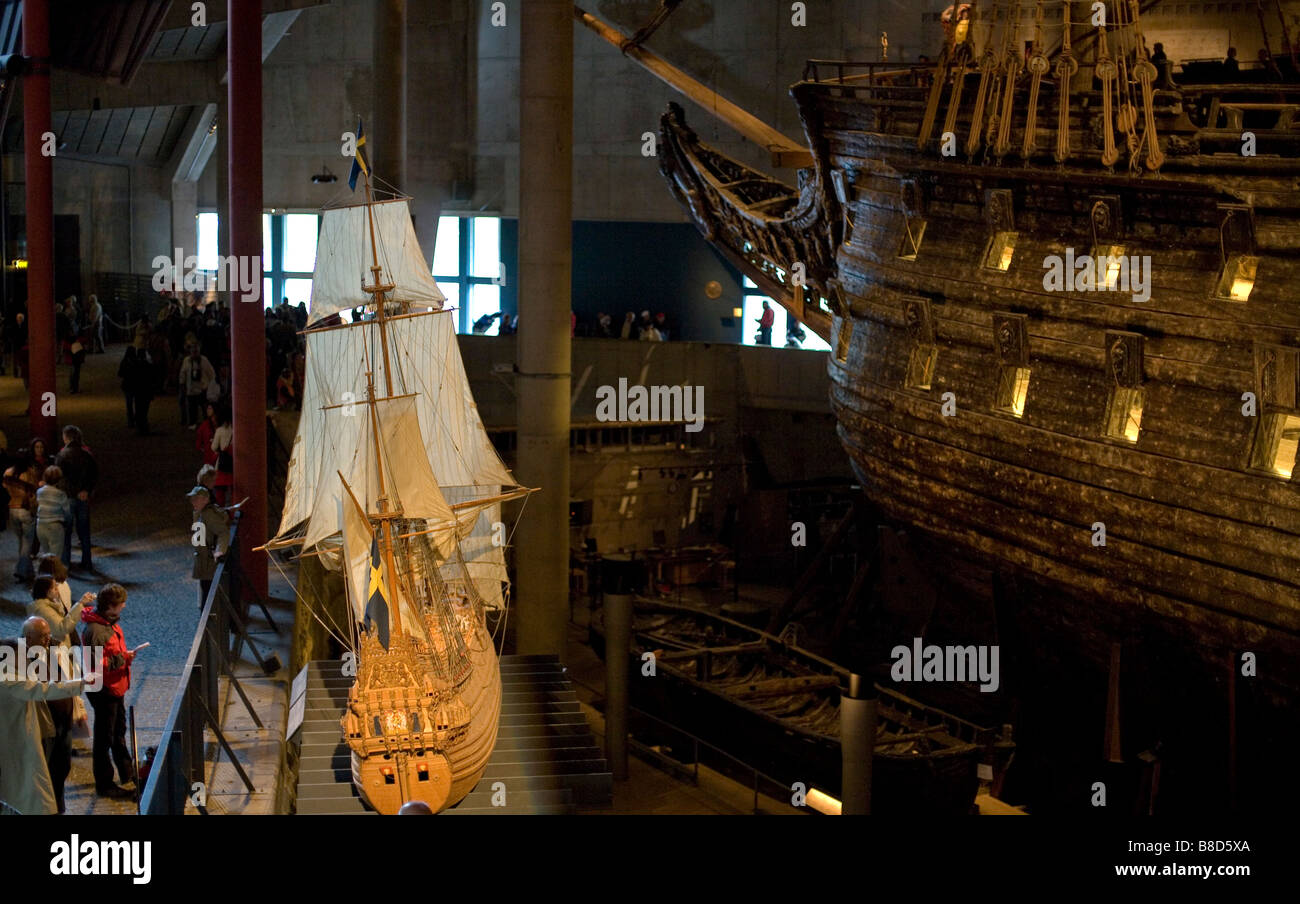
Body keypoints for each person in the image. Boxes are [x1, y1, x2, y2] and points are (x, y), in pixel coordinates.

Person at [0, 623, 86, 814]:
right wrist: (79, 684)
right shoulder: (7, 676)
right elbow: (39, 689)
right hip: (20, 739)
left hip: (33, 733)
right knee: (28, 788)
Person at [28, 578, 93, 814]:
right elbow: (45, 690)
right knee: (50, 768)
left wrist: (77, 702)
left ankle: (59, 806)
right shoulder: (28, 662)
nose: (48, 639)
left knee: (62, 765)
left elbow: (67, 682)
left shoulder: (56, 651)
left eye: (48, 635)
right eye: (43, 636)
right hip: (48, 725)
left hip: (63, 720)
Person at [81, 584, 144, 798]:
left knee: (118, 732)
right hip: (105, 690)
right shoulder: (97, 631)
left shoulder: (108, 624)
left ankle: (127, 772)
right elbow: (98, 664)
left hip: (115, 688)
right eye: (120, 604)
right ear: (110, 607)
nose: (123, 607)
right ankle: (104, 783)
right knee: (104, 738)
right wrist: (124, 658)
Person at [55, 426, 97, 571]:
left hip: (68, 497)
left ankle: (66, 562)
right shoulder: (86, 454)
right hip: (83, 497)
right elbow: (94, 474)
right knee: (84, 530)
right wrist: (86, 490)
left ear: (66, 437)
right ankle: (87, 561)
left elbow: (60, 477)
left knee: (66, 531)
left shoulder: (62, 455)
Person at [188, 486, 229, 609]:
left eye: (196, 499)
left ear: (205, 500)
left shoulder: (208, 515)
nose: (193, 502)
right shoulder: (201, 513)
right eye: (192, 499)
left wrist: (220, 550)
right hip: (203, 560)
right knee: (206, 589)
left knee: (208, 591)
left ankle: (207, 623)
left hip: (208, 561)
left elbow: (223, 532)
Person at [4, 447, 38, 581]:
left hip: (12, 508)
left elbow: (5, 487)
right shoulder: (30, 473)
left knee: (22, 542)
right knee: (27, 542)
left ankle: (28, 570)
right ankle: (21, 571)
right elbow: (34, 490)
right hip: (25, 510)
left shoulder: (8, 472)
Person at [118, 326, 154, 435]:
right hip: (140, 389)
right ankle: (141, 425)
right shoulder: (145, 365)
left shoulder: (130, 364)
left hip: (131, 387)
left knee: (133, 406)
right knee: (142, 410)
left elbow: (120, 374)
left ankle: (134, 422)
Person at [35, 465, 71, 568]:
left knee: (46, 556)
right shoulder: (60, 494)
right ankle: (54, 580)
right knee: (55, 558)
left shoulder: (39, 491)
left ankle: (46, 577)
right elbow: (67, 512)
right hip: (55, 525)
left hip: (41, 524)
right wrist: (68, 524)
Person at [180, 343, 215, 429]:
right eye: (193, 351)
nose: (195, 353)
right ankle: (192, 423)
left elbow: (211, 373)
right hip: (191, 390)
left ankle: (207, 424)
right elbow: (182, 373)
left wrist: (209, 386)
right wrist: (182, 384)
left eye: (196, 351)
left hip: (202, 389)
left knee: (205, 409)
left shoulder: (204, 360)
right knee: (192, 408)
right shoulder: (186, 361)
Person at [211, 405, 234, 506]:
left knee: (220, 492)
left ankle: (221, 512)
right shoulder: (236, 430)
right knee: (234, 492)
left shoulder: (220, 430)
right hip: (234, 464)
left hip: (222, 464)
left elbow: (214, 447)